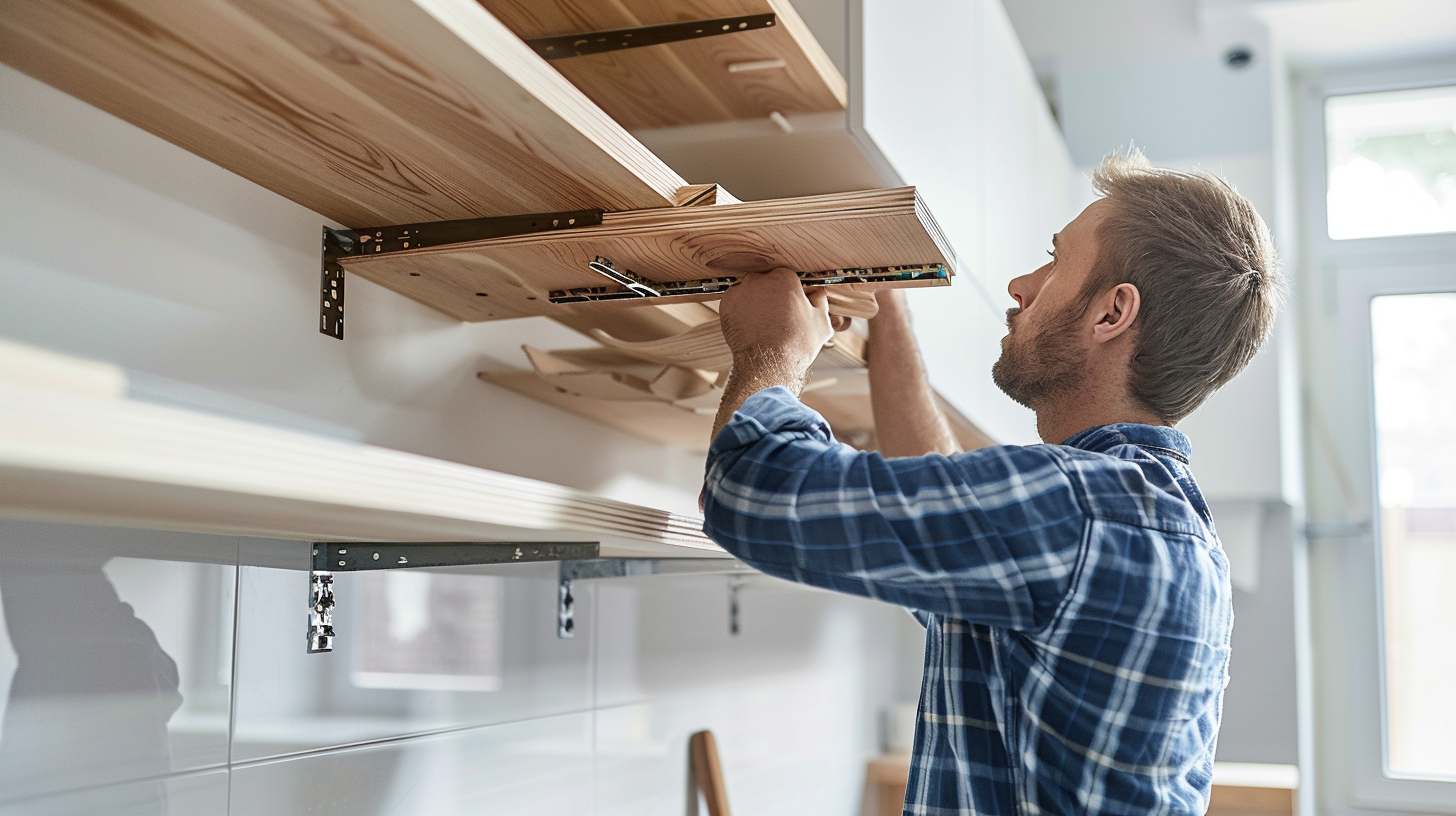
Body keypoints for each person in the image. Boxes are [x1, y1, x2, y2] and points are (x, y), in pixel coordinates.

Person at [700, 149, 1283, 815]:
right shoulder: (1148, 516)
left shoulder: (1083, 509)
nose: (1019, 285)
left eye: (1055, 261)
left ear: (1112, 313)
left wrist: (769, 350)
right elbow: (950, 515)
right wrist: (888, 317)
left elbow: (751, 493)